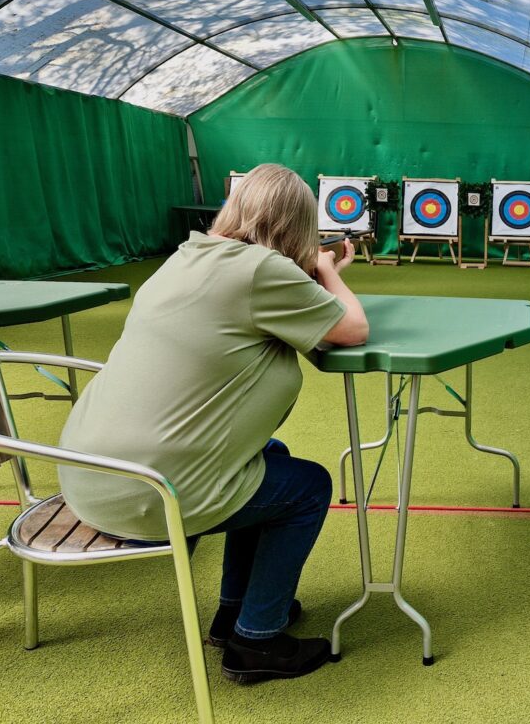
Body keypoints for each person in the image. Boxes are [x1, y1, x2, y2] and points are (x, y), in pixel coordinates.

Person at [57, 163, 368, 683]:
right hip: (145, 492)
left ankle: (235, 611)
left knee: (274, 457)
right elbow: (352, 329)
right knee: (310, 487)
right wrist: (328, 271)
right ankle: (255, 643)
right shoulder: (262, 272)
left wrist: (307, 275)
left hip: (89, 474)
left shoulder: (188, 256)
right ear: (296, 226)